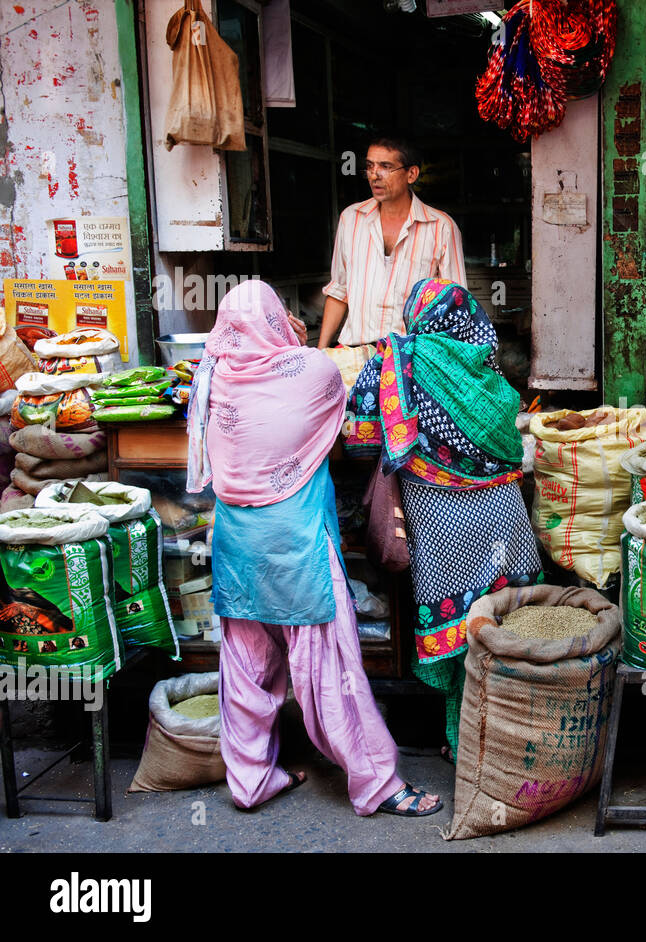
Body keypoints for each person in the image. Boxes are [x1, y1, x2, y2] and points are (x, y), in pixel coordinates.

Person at [188, 279, 441, 817]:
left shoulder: (211, 375)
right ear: (278, 317)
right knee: (333, 670)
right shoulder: (312, 372)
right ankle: (378, 785)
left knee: (246, 668)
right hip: (296, 543)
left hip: (236, 545)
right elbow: (333, 389)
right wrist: (302, 341)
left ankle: (250, 781)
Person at [346, 278, 541, 762]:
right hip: (503, 521)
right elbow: (510, 443)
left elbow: (360, 441)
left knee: (456, 634)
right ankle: (506, 742)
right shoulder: (487, 369)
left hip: (438, 525)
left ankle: (463, 744)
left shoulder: (394, 363)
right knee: (505, 629)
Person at [319, 135, 466, 350]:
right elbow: (339, 292)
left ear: (411, 174)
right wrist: (322, 352)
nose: (375, 175)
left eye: (386, 167)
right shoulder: (351, 219)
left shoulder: (441, 227)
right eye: (370, 166)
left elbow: (455, 303)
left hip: (412, 357)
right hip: (355, 353)